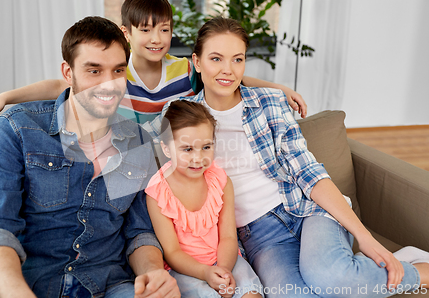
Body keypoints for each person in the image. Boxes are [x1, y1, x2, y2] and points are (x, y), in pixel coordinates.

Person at [144, 17, 429, 297]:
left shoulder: (270, 103)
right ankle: (392, 265)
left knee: (330, 276)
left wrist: (365, 238)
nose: (228, 70)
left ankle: (421, 273)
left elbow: (310, 175)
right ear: (196, 62)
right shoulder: (179, 114)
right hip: (258, 235)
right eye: (216, 59)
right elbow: (137, 137)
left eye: (238, 59)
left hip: (308, 211)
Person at [0, 16, 180, 298]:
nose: (109, 84)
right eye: (94, 71)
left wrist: (152, 274)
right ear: (68, 73)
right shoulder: (19, 129)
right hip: (26, 287)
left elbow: (139, 231)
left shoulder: (140, 141)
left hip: (109, 287)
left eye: (117, 71)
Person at [0, 0, 307, 135]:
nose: (156, 39)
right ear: (127, 33)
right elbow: (58, 84)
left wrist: (280, 88)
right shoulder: (117, 72)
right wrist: (5, 97)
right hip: (130, 160)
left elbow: (229, 75)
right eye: (145, 30)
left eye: (164, 30)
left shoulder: (184, 69)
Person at [145, 100, 263, 298]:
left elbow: (227, 236)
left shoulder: (221, 181)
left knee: (251, 294)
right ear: (166, 149)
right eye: (187, 149)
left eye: (206, 147)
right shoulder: (157, 193)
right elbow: (172, 252)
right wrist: (206, 273)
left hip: (224, 258)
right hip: (186, 268)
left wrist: (223, 271)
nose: (198, 158)